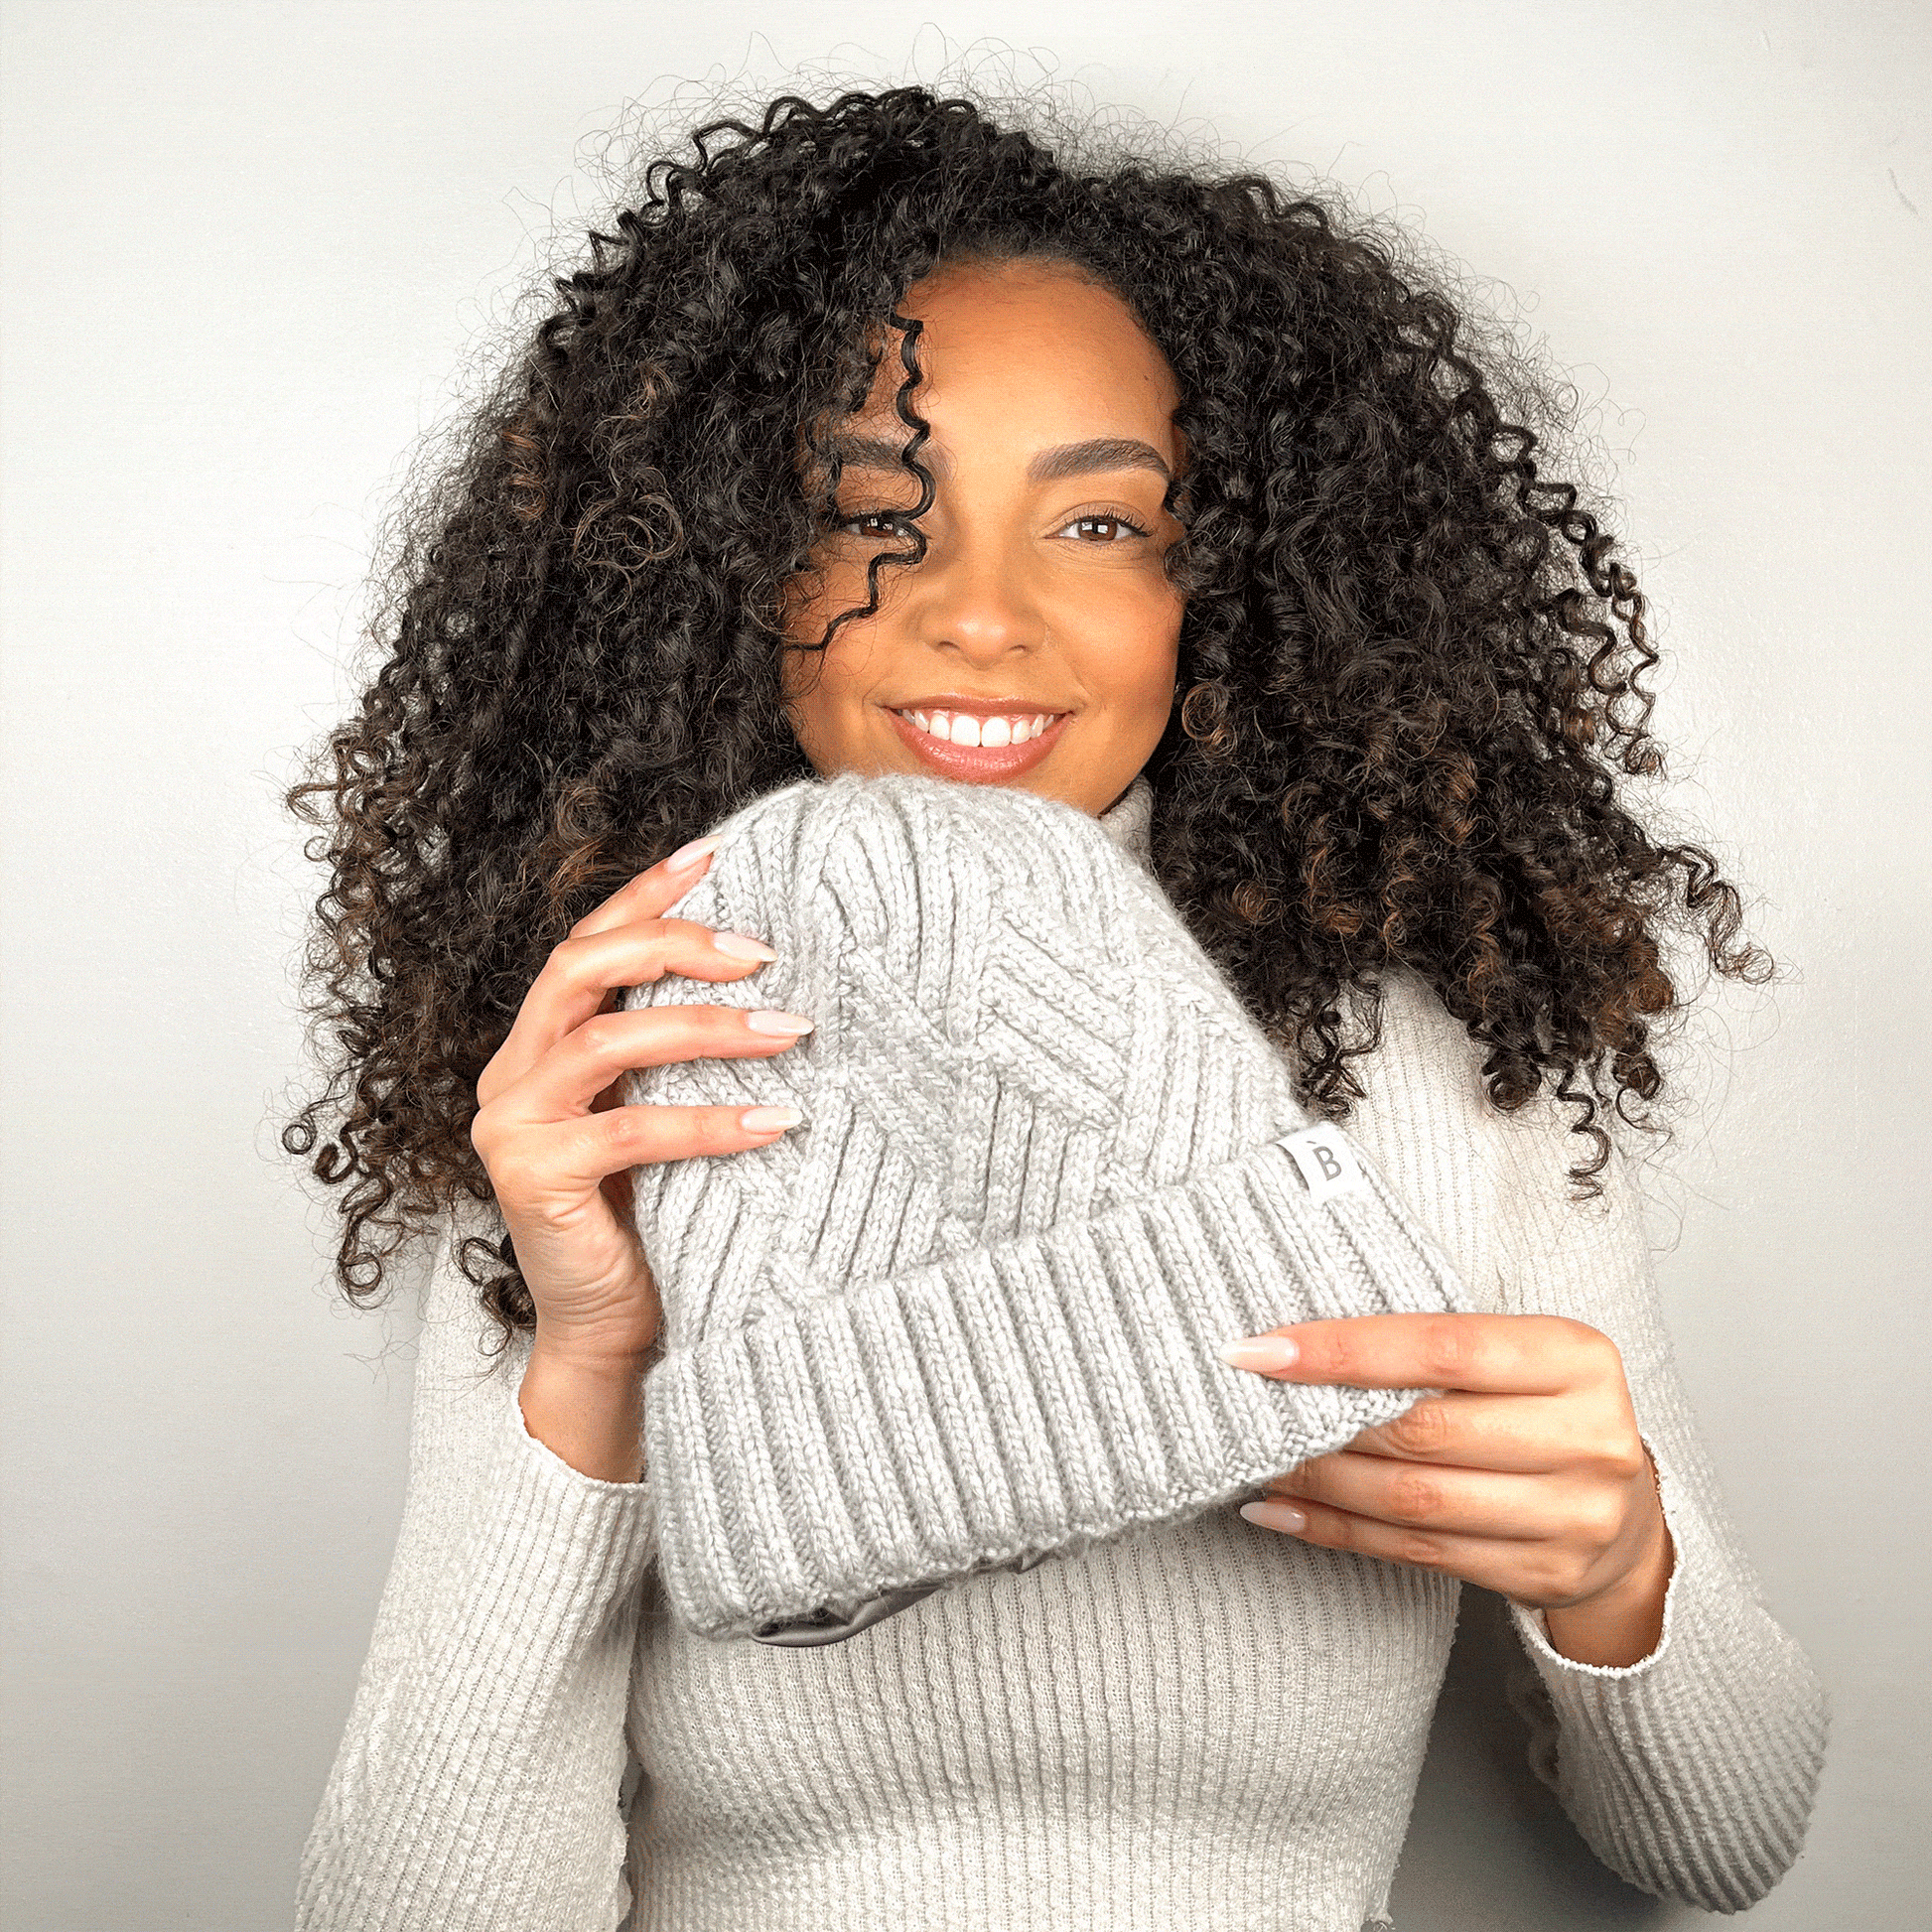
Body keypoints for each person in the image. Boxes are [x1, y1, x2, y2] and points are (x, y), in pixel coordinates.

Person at [286, 82, 1827, 1932]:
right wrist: (591, 1354)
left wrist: (1621, 1572)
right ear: (724, 575)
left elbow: (1720, 1844)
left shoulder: (1434, 1065)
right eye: (871, 516)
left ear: (1224, 583)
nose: (980, 616)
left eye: (1099, 527)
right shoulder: (624, 1060)